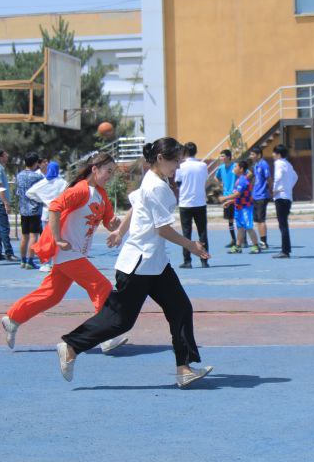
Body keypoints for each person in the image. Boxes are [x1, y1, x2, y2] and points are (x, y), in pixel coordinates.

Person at [54, 138, 213, 387]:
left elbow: (135, 207)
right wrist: (191, 245)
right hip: (139, 265)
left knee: (181, 308)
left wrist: (119, 232)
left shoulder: (155, 179)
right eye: (175, 161)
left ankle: (184, 368)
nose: (177, 167)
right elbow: (163, 229)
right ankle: (71, 346)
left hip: (156, 264)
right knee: (120, 320)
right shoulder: (156, 186)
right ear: (160, 159)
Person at [0, 153, 123, 349]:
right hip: (68, 253)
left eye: (112, 172)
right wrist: (57, 239)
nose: (110, 175)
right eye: (108, 171)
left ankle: (13, 318)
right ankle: (105, 336)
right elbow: (55, 208)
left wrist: (114, 224)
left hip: (75, 253)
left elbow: (108, 222)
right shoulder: (81, 189)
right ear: (95, 169)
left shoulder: (101, 195)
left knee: (52, 294)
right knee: (101, 286)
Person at [173, 141, 210, 269]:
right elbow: (205, 180)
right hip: (200, 202)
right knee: (202, 232)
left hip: (185, 203)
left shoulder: (181, 166)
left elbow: (177, 183)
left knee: (186, 233)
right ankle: (204, 260)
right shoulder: (203, 165)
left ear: (185, 152)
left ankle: (187, 261)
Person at [27, 161, 67, 272]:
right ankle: (58, 262)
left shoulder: (43, 182)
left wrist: (42, 199)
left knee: (45, 239)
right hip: (59, 213)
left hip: (46, 212)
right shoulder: (62, 182)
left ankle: (45, 263)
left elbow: (29, 193)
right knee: (58, 238)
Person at [222, 158, 261, 254]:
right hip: (239, 207)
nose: (234, 168)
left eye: (236, 166)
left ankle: (256, 246)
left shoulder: (243, 180)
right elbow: (238, 196)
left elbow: (237, 194)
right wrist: (230, 202)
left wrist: (224, 198)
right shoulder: (239, 180)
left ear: (241, 169)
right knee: (240, 228)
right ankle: (238, 246)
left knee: (248, 227)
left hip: (245, 208)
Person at [14, 152, 45, 269]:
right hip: (35, 209)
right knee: (34, 236)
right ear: (35, 163)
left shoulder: (19, 175)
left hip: (23, 209)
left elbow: (18, 192)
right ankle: (30, 260)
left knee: (24, 236)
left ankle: (22, 260)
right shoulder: (38, 176)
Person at [272, 144, 298, 259]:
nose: (273, 155)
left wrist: (274, 190)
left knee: (282, 225)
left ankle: (285, 251)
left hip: (280, 197)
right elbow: (296, 177)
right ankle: (286, 249)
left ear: (278, 154)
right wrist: (289, 187)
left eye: (274, 152)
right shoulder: (288, 164)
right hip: (288, 197)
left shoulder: (278, 163)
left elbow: (277, 177)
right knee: (284, 224)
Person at [0, 150, 15, 261]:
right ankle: (9, 252)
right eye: (5, 154)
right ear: (0, 157)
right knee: (5, 228)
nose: (7, 155)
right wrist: (5, 203)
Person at [213, 148, 238, 251]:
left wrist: (240, 185)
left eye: (222, 156)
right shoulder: (221, 168)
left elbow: (248, 174)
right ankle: (233, 239)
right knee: (230, 219)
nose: (221, 158)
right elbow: (216, 177)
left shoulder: (235, 166)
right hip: (226, 196)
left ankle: (243, 240)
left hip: (235, 196)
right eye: (220, 156)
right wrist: (220, 184)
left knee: (240, 218)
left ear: (228, 157)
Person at [248, 145, 272, 250]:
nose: (250, 156)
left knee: (261, 220)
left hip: (262, 196)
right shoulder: (256, 164)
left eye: (252, 154)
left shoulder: (263, 164)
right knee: (257, 220)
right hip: (256, 195)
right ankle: (261, 240)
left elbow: (269, 179)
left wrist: (269, 191)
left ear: (258, 155)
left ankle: (264, 242)